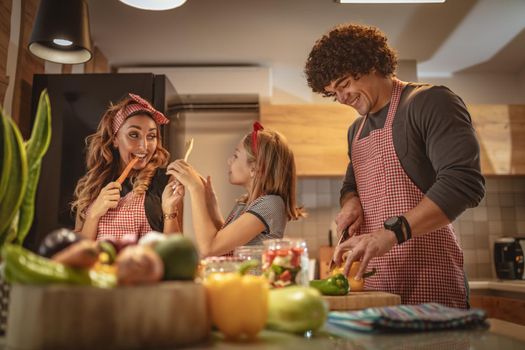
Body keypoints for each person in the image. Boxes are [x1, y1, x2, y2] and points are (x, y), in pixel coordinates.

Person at [304, 24, 485, 308]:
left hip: (429, 277)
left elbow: (464, 184)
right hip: (377, 286)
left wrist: (392, 234)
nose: (341, 98)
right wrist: (351, 203)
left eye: (345, 84)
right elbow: (351, 185)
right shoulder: (355, 130)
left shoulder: (430, 102)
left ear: (372, 64)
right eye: (333, 92)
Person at [169, 122, 304, 257]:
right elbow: (227, 242)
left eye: (235, 155)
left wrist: (196, 188)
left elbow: (209, 247)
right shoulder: (247, 202)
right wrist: (211, 205)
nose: (229, 161)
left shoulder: (270, 204)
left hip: (255, 279)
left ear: (254, 169)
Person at [72, 93, 184, 242]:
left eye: (151, 136)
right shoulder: (92, 184)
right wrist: (93, 214)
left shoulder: (167, 182)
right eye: (133, 134)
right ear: (115, 139)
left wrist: (170, 211)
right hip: (101, 266)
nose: (144, 146)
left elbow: (176, 250)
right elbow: (79, 250)